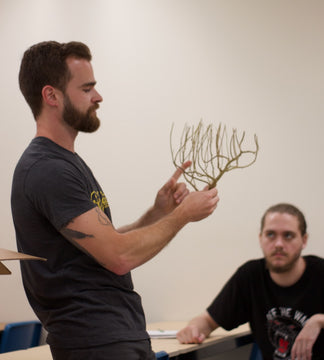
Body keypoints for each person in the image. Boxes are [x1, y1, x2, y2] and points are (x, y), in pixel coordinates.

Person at [11, 41, 219, 360]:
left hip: (112, 338)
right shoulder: (47, 169)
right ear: (51, 96)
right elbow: (118, 257)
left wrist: (158, 213)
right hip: (95, 344)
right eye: (87, 88)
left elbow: (103, 244)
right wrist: (182, 217)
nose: (98, 97)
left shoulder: (65, 163)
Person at [177, 203, 324, 360]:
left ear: (304, 240)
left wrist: (320, 320)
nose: (279, 243)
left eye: (288, 235)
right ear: (260, 238)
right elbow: (208, 321)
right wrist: (193, 328)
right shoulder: (250, 276)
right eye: (271, 235)